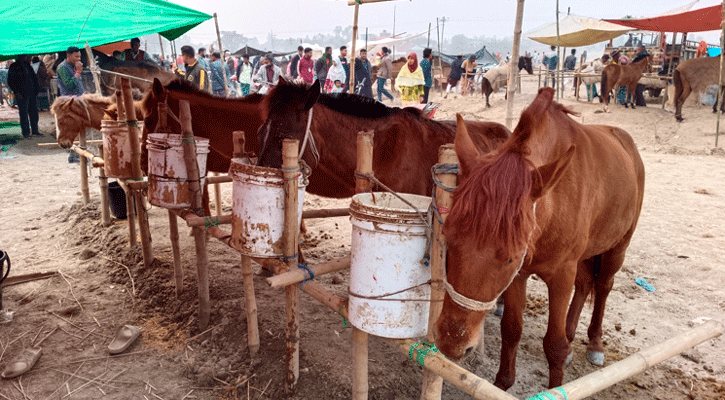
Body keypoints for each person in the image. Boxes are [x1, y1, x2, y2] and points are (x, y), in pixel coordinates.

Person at [7, 55, 41, 138]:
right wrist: (17, 92)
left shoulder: (28, 66)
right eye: (27, 57)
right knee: (24, 114)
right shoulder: (14, 66)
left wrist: (36, 90)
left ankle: (35, 130)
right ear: (22, 57)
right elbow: (10, 81)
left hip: (32, 93)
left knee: (33, 112)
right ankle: (26, 133)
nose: (29, 58)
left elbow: (34, 78)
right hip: (21, 94)